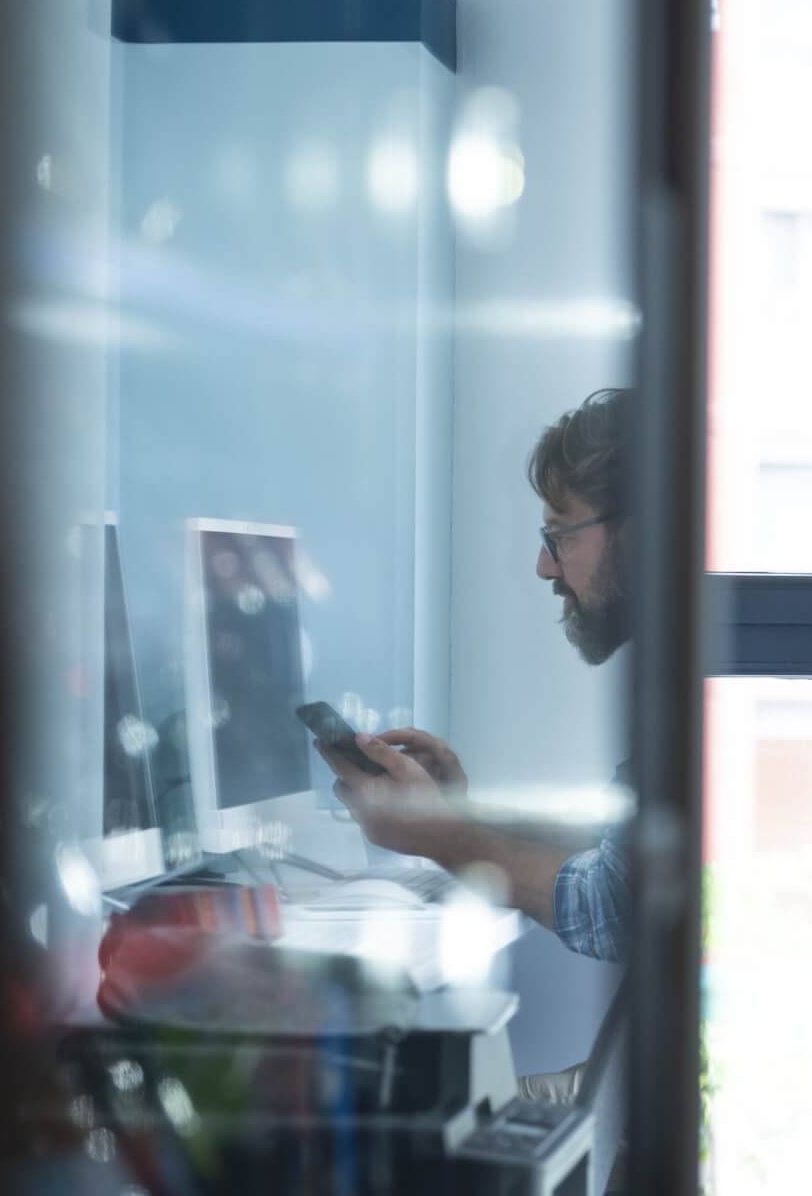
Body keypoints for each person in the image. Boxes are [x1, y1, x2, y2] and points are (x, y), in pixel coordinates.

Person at [316, 387, 636, 1098]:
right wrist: (461, 815)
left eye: (559, 536)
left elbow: (609, 907)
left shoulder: (690, 688)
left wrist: (443, 836)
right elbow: (620, 844)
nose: (545, 567)